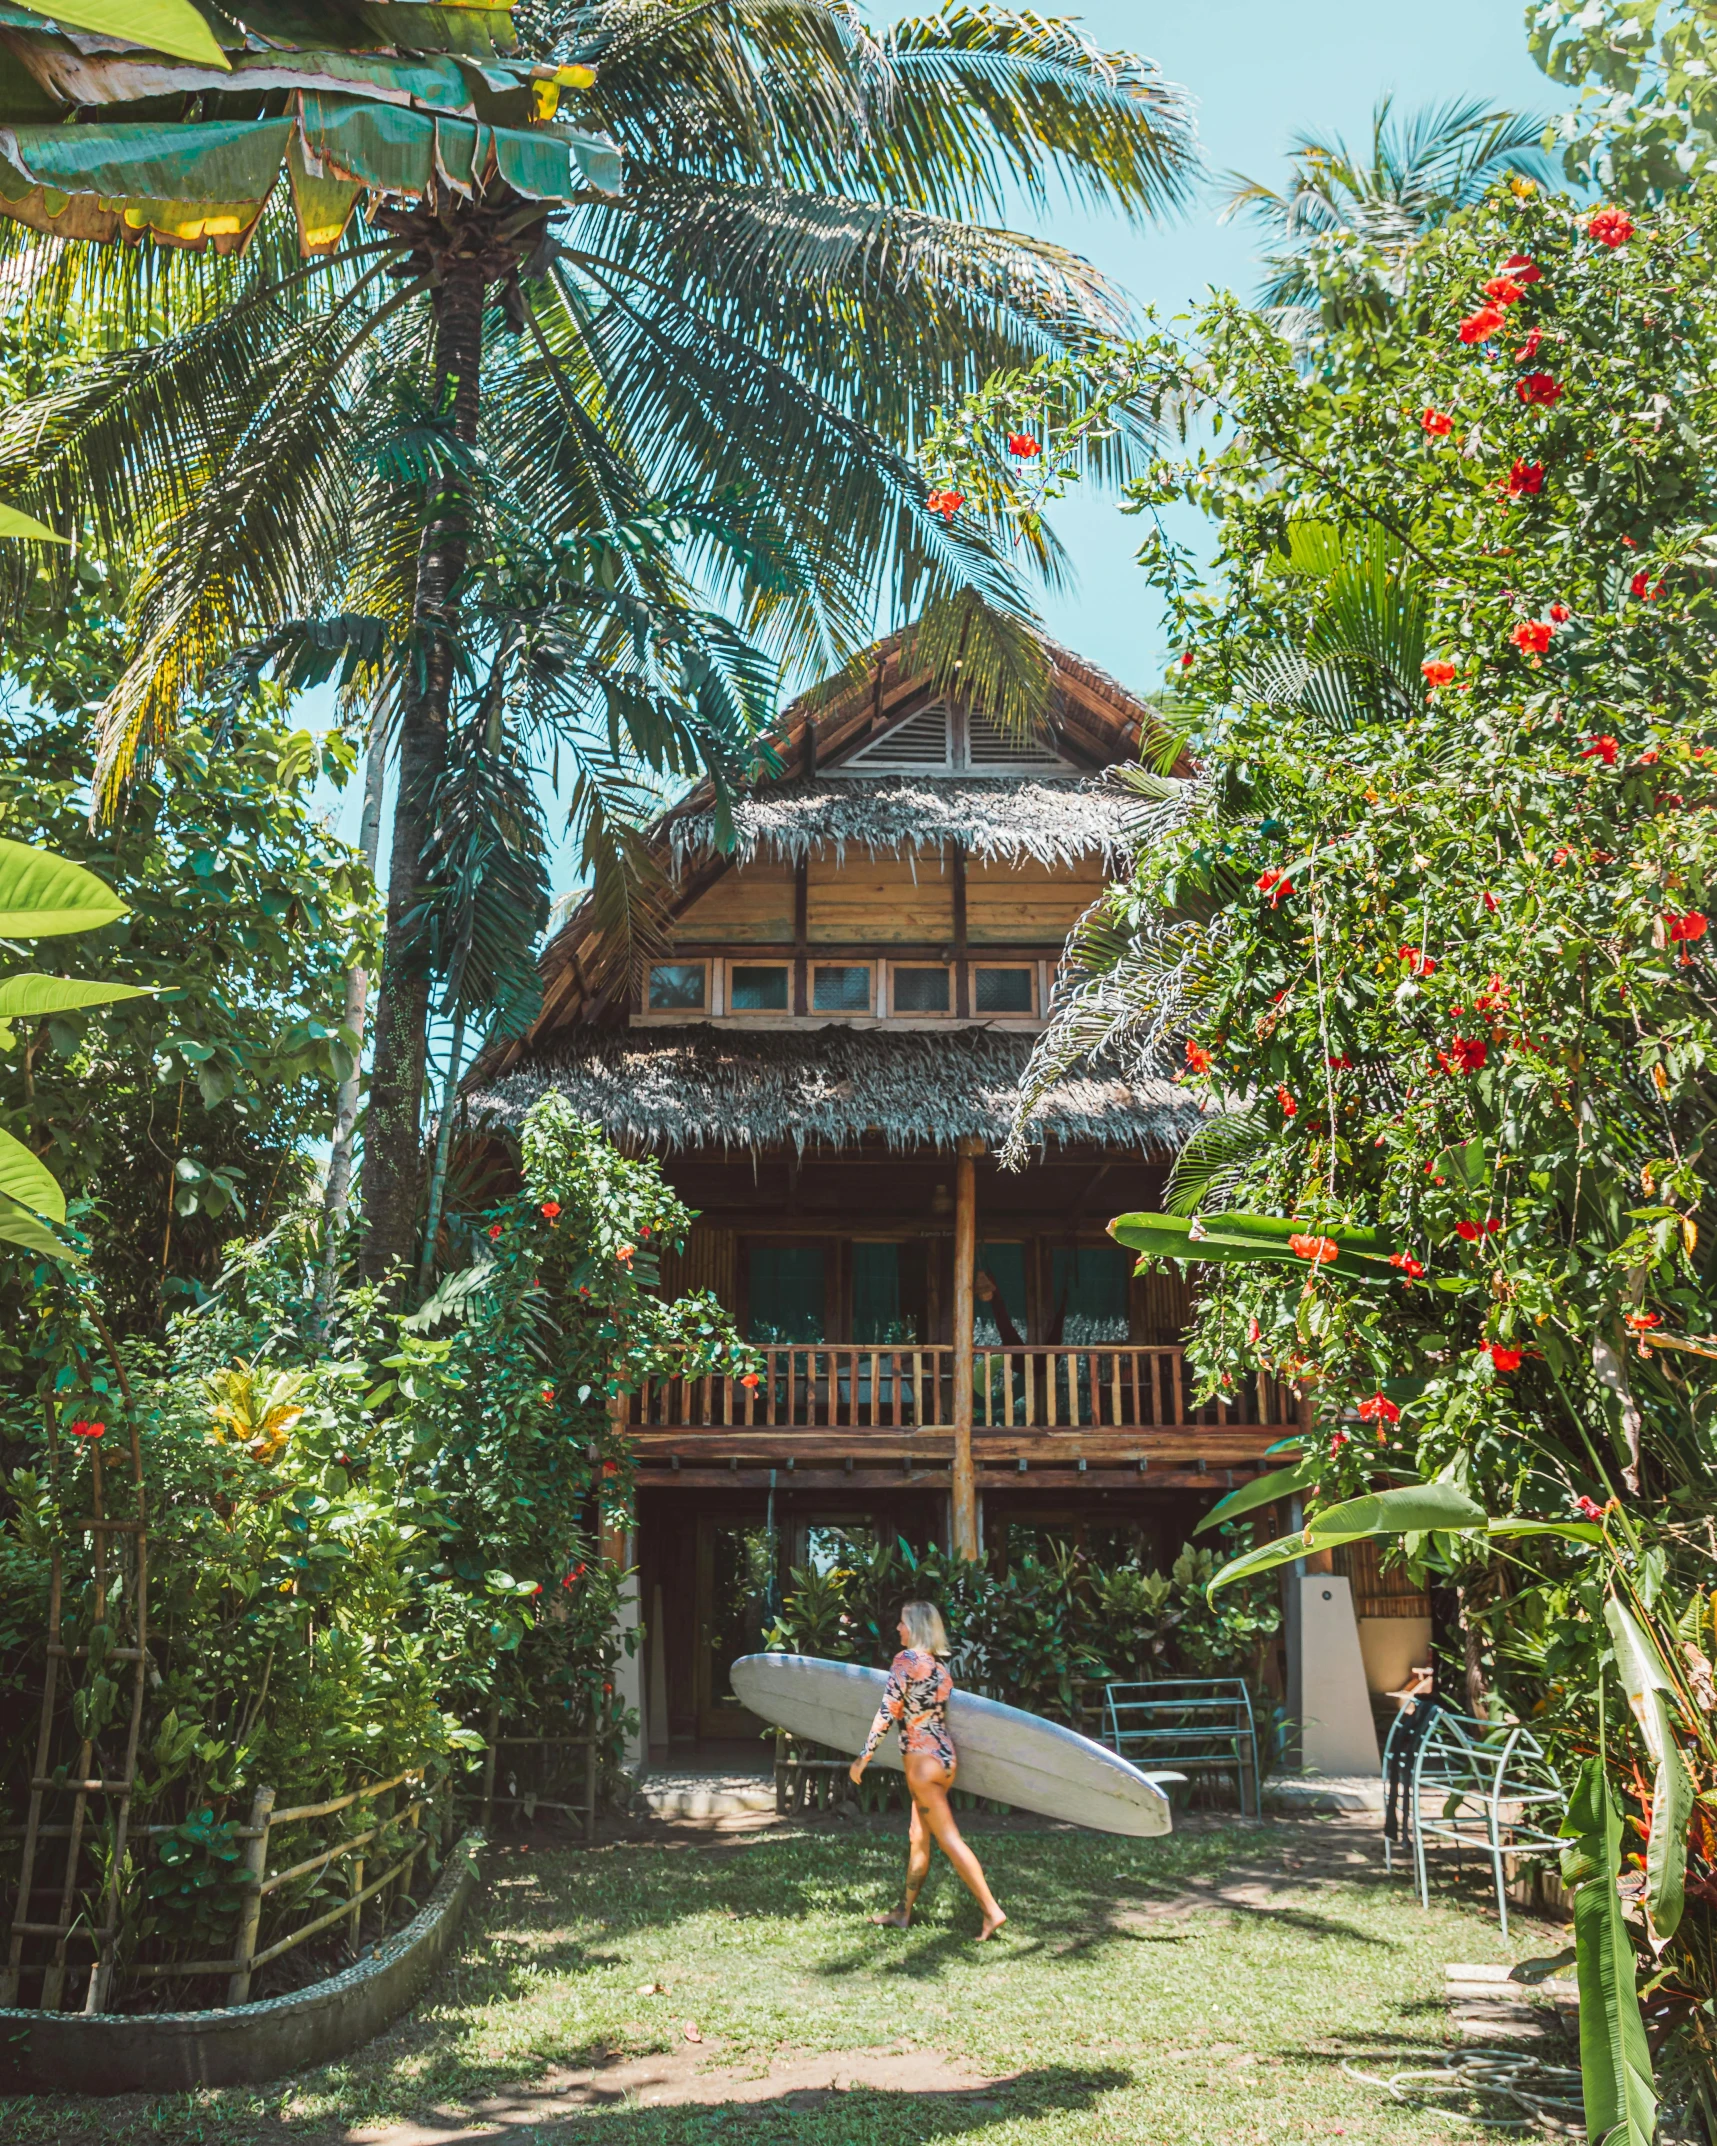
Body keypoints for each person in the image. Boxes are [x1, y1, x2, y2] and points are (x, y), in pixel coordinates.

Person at [848, 1601, 1007, 1940]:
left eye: (903, 1623)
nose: (898, 1629)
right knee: (918, 1836)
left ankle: (991, 1910)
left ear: (917, 1627)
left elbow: (888, 1709)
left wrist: (864, 1755)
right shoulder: (938, 1670)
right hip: (944, 1759)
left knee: (949, 1840)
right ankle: (903, 1912)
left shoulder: (905, 1661)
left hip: (921, 1765)